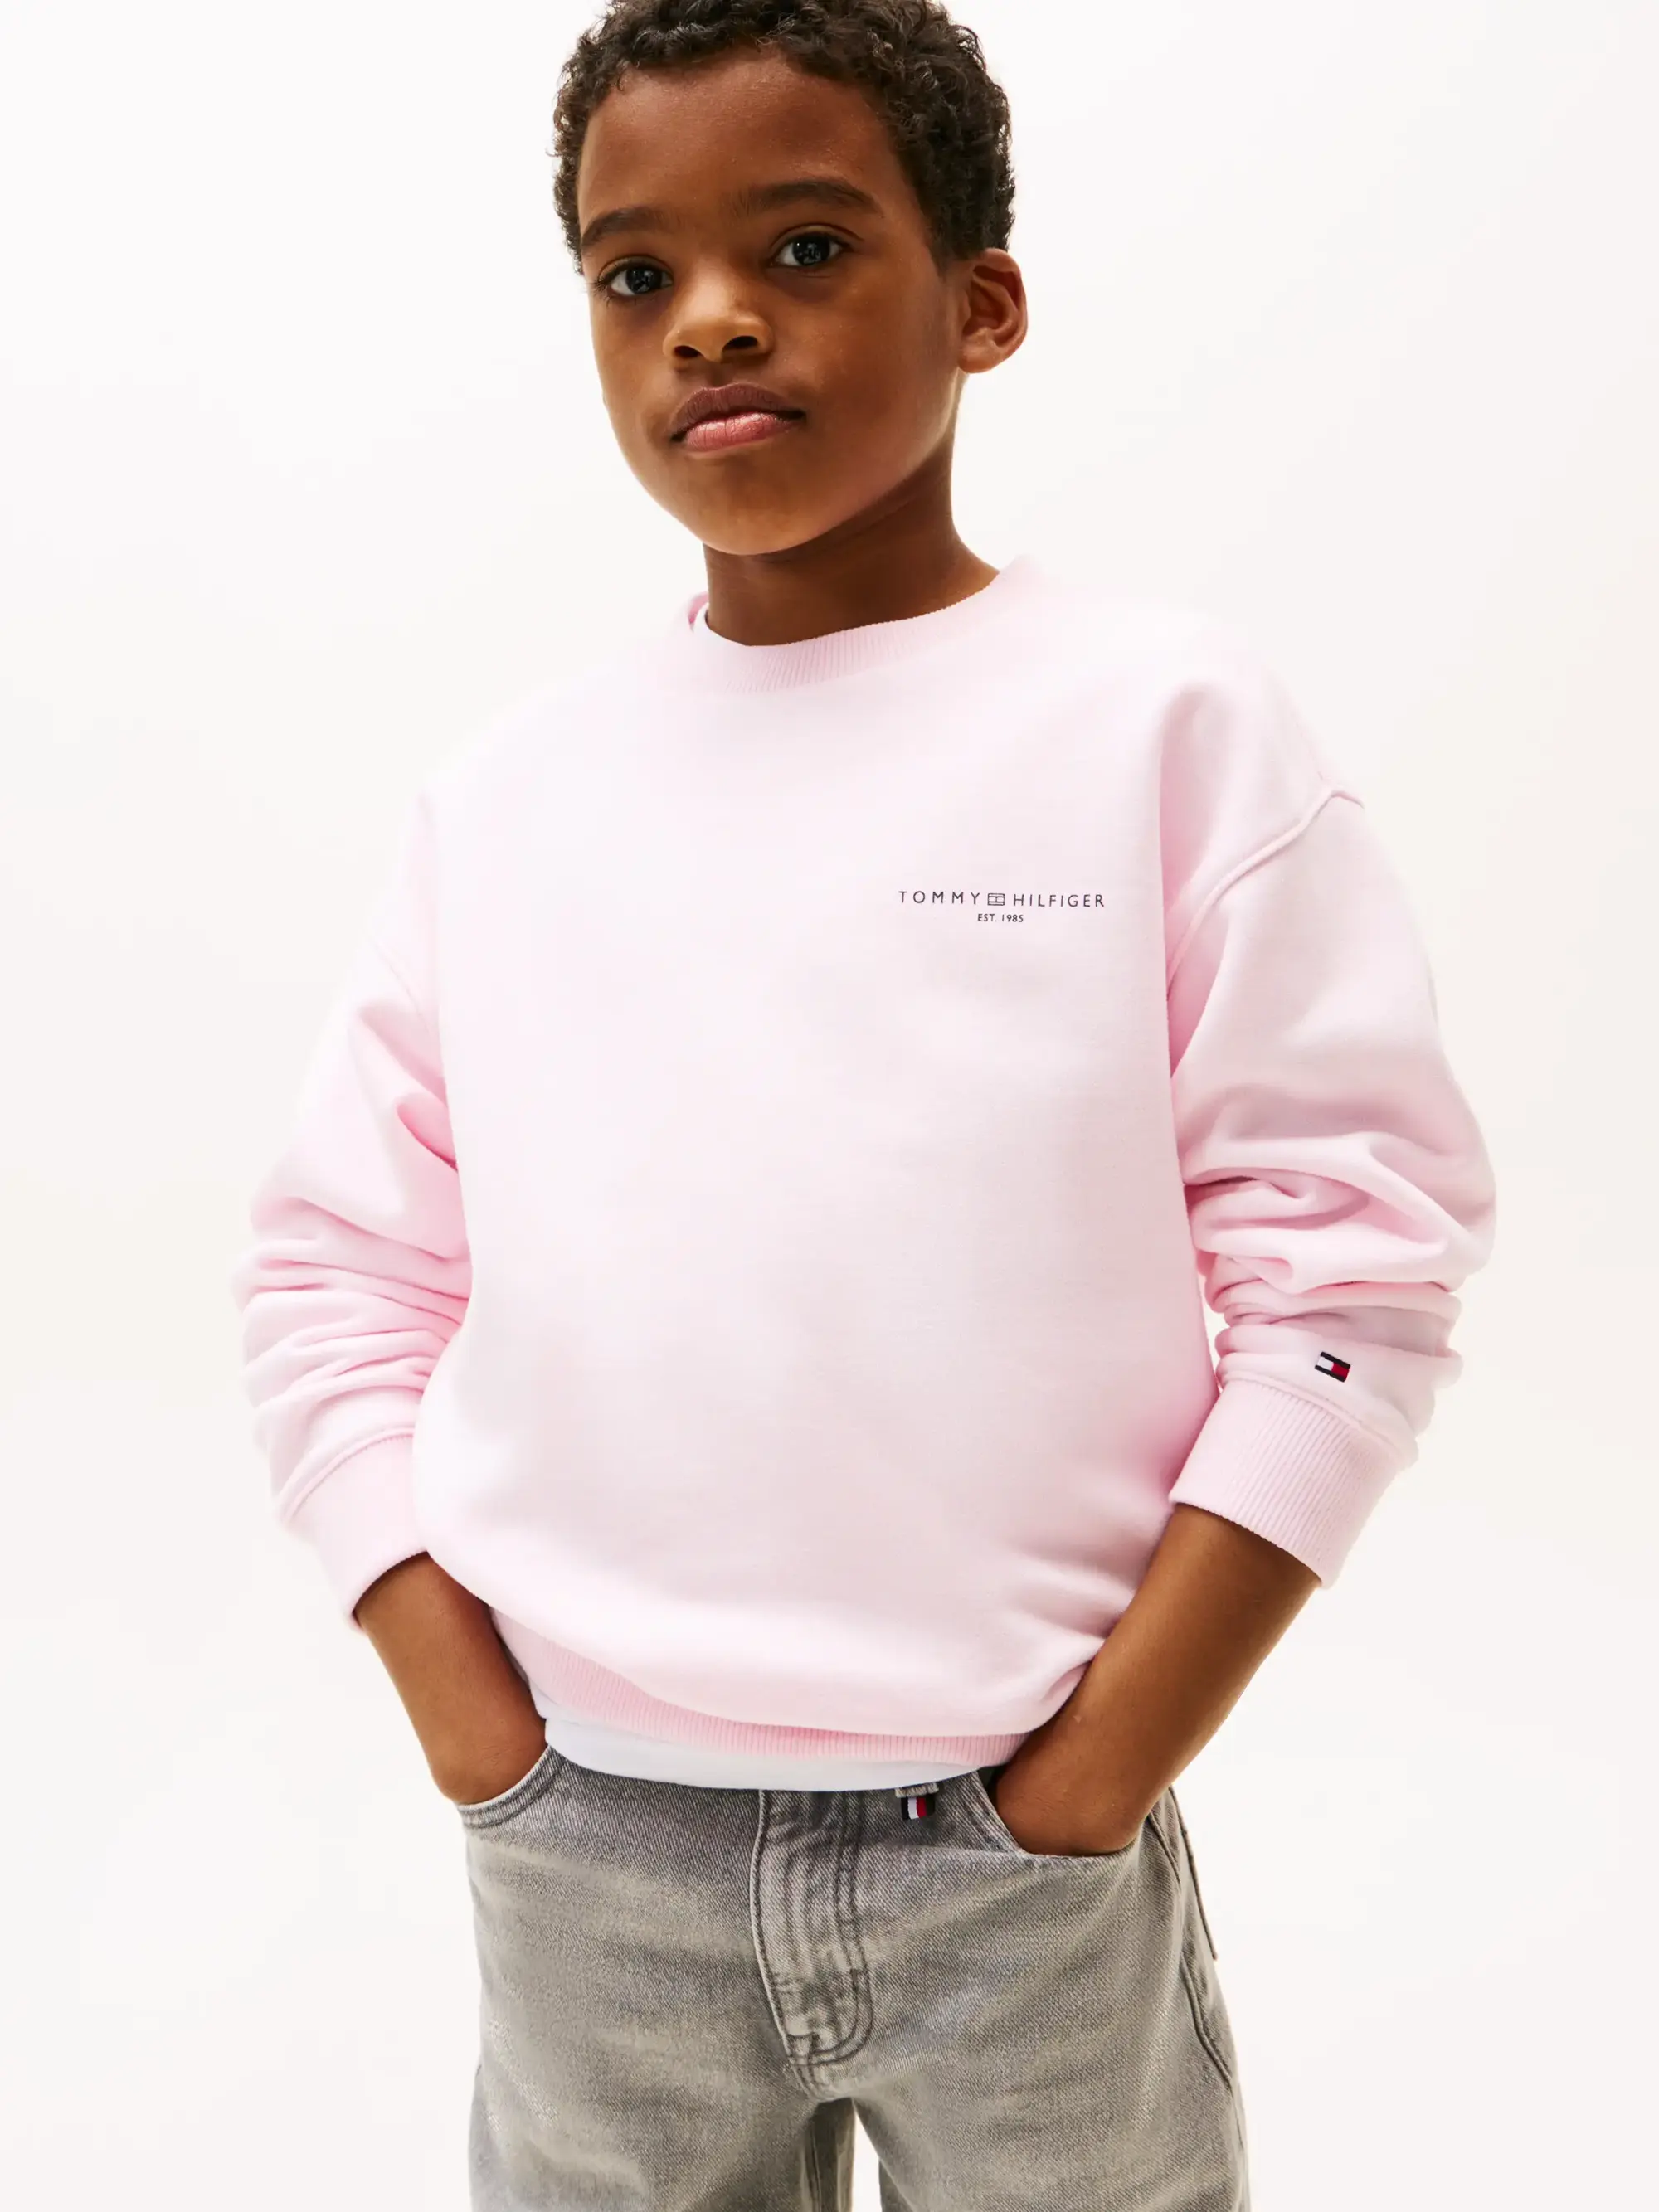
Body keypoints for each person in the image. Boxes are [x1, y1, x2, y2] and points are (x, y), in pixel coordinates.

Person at [229, 3, 1498, 2205]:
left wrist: (1103, 1767)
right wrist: (469, 1713)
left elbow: (1353, 1273)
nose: (712, 317)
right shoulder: (508, 804)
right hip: (587, 1846)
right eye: (637, 273)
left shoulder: (1163, 729)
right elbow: (338, 1272)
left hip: (1019, 1847)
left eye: (806, 246)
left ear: (981, 302)